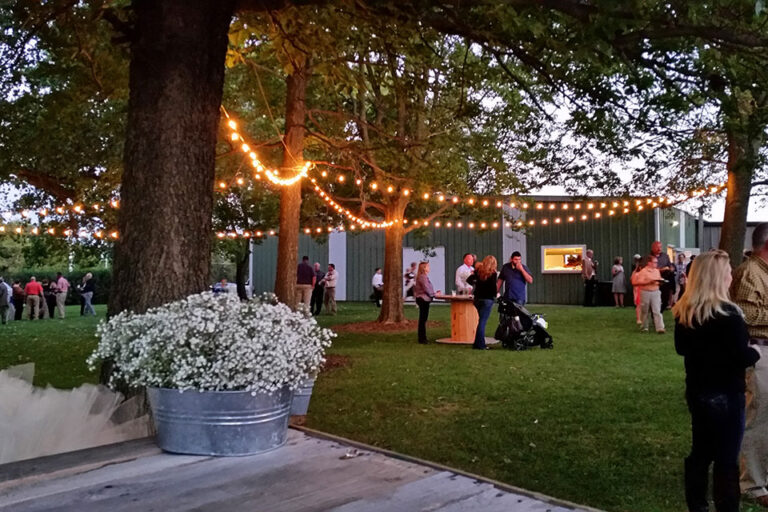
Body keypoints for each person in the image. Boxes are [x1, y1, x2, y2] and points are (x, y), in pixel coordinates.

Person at [674, 250, 760, 512]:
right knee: (726, 458)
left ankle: (697, 505)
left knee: (701, 451)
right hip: (726, 394)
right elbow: (741, 356)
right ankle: (727, 506)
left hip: (699, 392)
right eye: (727, 272)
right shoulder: (729, 316)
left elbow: (681, 349)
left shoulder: (685, 312)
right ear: (717, 277)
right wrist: (755, 351)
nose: (731, 276)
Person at [731, 223, 768, 505]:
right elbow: (747, 315)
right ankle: (752, 485)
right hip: (759, 351)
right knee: (757, 416)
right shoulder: (750, 272)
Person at [467, 255, 498, 350]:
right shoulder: (492, 274)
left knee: (480, 321)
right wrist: (496, 295)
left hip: (477, 298)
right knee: (482, 322)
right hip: (487, 299)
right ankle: (481, 345)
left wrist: (476, 282)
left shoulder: (478, 272)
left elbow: (469, 280)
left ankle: (477, 343)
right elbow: (493, 288)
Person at [631, 255, 665, 333]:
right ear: (649, 263)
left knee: (657, 310)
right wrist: (649, 282)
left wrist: (660, 282)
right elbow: (637, 282)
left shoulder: (657, 271)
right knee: (645, 310)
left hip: (656, 291)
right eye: (655, 262)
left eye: (656, 262)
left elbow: (658, 279)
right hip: (645, 292)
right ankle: (644, 327)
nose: (656, 264)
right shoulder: (643, 271)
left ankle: (660, 328)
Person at [413, 262, 438, 344]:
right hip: (423, 299)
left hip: (424, 299)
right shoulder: (422, 277)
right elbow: (426, 288)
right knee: (423, 319)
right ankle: (422, 339)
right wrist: (434, 294)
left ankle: (423, 337)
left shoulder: (423, 277)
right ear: (424, 268)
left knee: (423, 319)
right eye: (428, 266)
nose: (429, 268)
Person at [652, 241, 675, 311]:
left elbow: (670, 265)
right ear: (653, 248)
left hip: (665, 278)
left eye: (660, 247)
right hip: (654, 279)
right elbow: (648, 269)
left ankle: (665, 306)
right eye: (657, 247)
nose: (659, 249)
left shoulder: (665, 256)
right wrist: (660, 269)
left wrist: (671, 268)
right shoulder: (649, 257)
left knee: (666, 297)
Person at [631, 254, 643, 324]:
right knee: (638, 304)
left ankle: (642, 318)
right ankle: (638, 318)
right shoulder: (635, 271)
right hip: (637, 288)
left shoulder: (643, 269)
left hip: (643, 287)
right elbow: (632, 279)